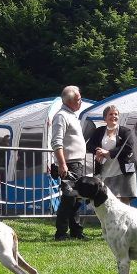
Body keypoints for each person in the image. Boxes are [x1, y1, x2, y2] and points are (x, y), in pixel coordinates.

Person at [50, 85, 89, 240]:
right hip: (70, 164)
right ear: (70, 101)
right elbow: (56, 142)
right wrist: (62, 164)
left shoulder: (71, 115)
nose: (81, 101)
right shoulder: (61, 116)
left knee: (76, 198)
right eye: (79, 99)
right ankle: (61, 233)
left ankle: (76, 231)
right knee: (68, 199)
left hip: (76, 163)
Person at [85, 105, 137, 204]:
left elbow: (128, 147)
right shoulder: (99, 131)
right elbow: (89, 145)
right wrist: (97, 150)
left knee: (124, 199)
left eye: (116, 114)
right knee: (108, 200)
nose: (113, 116)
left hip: (123, 170)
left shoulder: (125, 131)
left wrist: (108, 153)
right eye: (110, 114)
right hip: (106, 171)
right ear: (105, 117)